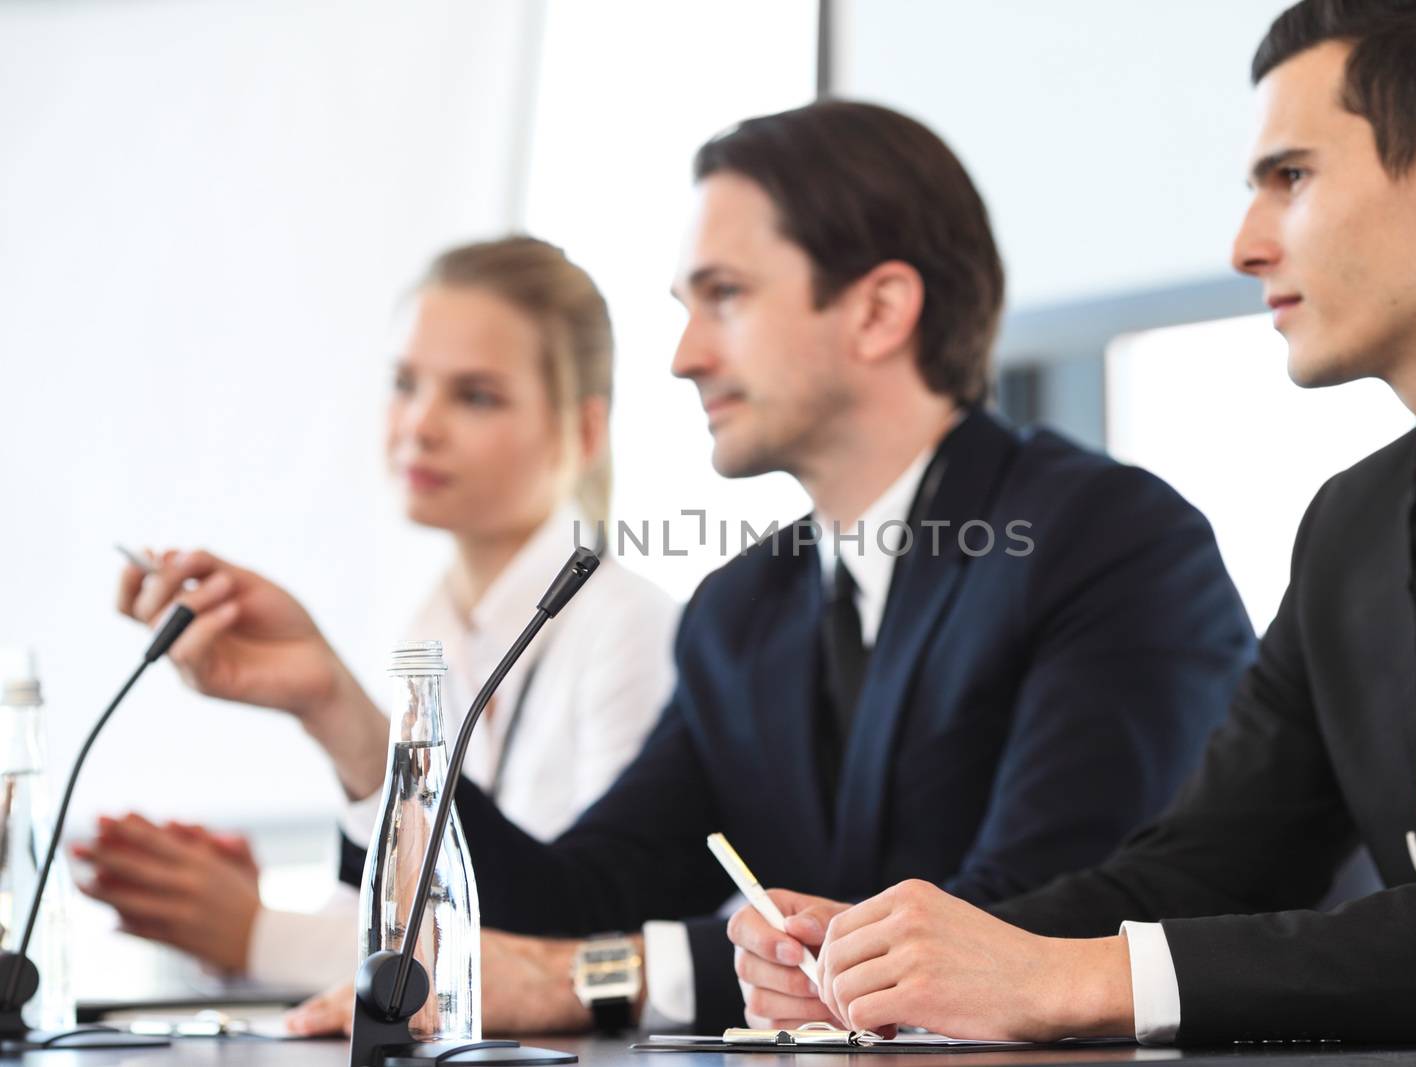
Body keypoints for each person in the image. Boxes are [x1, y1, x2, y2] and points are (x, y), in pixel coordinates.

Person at [129, 100, 1255, 1036]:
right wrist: (337, 711)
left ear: (877, 307)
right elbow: (575, 899)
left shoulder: (1108, 541)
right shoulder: (743, 610)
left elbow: (1027, 930)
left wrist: (602, 978)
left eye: (724, 296)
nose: (682, 356)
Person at [729, 0, 1416, 1047]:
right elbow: (1210, 863)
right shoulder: (1352, 526)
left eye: (1292, 177)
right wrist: (914, 960)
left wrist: (1071, 978)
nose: (1243, 244)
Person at [80, 236, 678, 991]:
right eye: (404, 383)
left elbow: (573, 946)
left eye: (475, 395)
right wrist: (223, 915)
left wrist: (254, 932)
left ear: (585, 432)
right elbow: (398, 931)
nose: (419, 424)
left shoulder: (633, 629)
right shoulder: (428, 628)